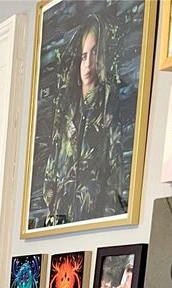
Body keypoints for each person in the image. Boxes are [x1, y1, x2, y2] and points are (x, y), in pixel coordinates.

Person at [41, 14, 125, 226]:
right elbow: (53, 163)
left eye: (94, 52)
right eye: (84, 55)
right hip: (61, 220)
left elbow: (115, 166)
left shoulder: (109, 101)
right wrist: (51, 211)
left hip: (94, 218)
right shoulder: (67, 107)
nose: (88, 63)